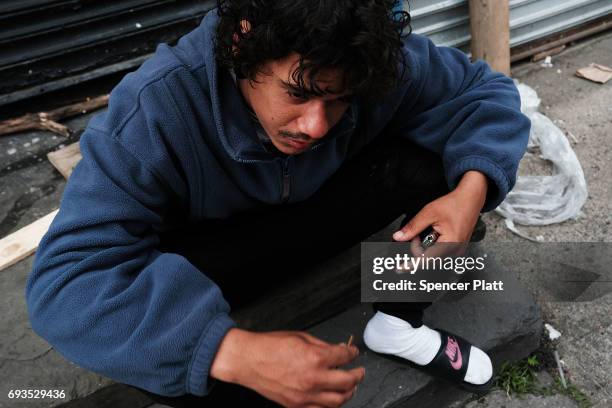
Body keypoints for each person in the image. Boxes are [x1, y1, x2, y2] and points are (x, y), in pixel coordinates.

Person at [25, 0, 530, 407]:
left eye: (339, 100)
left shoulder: (370, 62)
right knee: (173, 361)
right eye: (298, 93)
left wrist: (471, 194)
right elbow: (66, 281)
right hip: (214, 262)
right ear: (244, 42)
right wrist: (230, 351)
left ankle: (397, 324)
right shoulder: (154, 109)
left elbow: (485, 91)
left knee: (438, 162)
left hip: (314, 213)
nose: (316, 125)